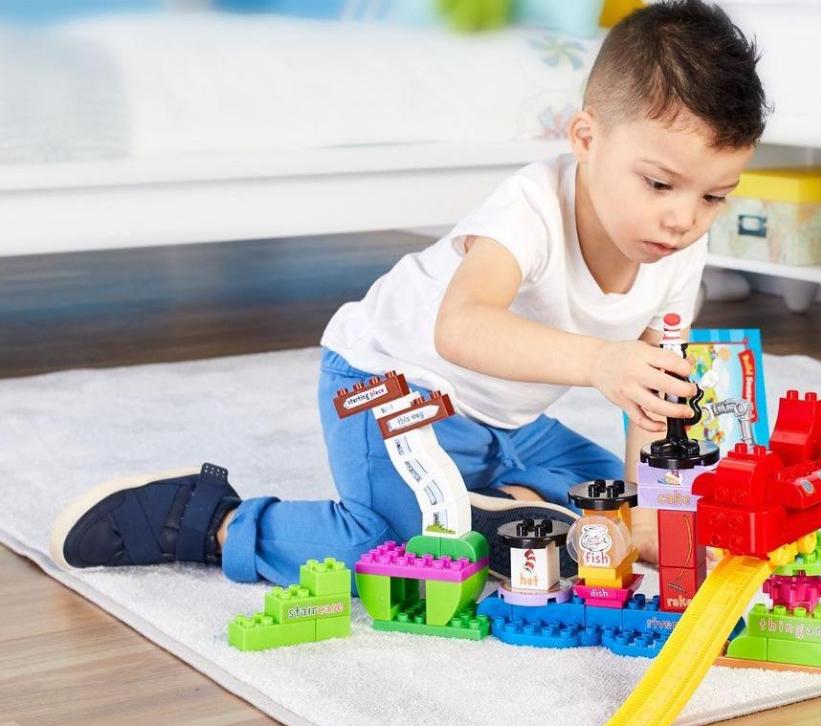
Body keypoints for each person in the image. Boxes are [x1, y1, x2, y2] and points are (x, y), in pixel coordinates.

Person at [49, 0, 767, 588]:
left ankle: (504, 501)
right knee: (407, 549)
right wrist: (600, 363)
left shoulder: (680, 249)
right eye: (659, 183)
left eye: (714, 196)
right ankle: (206, 521)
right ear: (586, 138)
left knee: (626, 507)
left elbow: (654, 400)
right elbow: (462, 327)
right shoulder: (530, 209)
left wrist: (650, 518)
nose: (684, 219)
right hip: (391, 386)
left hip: (507, 421)